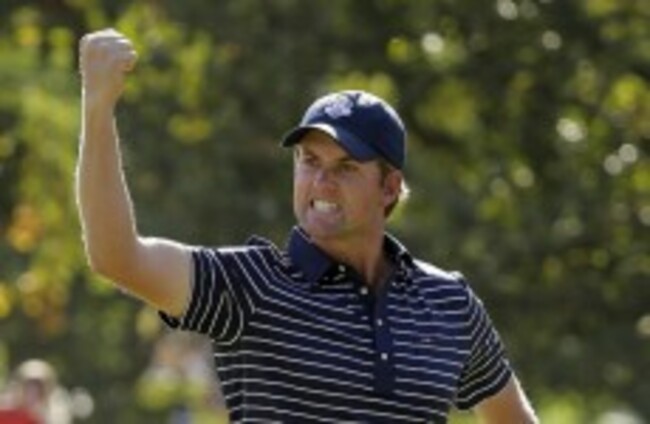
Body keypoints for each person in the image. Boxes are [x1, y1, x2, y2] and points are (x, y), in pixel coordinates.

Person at [76, 28, 539, 423]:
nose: (321, 182)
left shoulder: (449, 302)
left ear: (389, 187)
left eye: (346, 167)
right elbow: (117, 257)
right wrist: (98, 108)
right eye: (309, 161)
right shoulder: (251, 285)